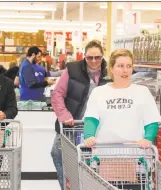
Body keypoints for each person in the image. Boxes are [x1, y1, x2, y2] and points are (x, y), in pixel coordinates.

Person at [51, 40, 110, 189]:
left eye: (97, 57)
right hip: (72, 126)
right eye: (90, 58)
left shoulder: (110, 71)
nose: (94, 61)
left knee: (93, 164)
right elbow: (57, 93)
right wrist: (64, 115)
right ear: (84, 56)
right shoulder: (72, 69)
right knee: (58, 153)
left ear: (103, 56)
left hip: (97, 129)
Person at [83, 49, 161, 148]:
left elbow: (151, 121)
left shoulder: (143, 92)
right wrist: (89, 136)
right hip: (104, 152)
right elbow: (91, 118)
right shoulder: (98, 92)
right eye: (120, 66)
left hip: (135, 153)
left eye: (129, 66)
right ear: (111, 68)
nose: (125, 70)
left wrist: (148, 138)